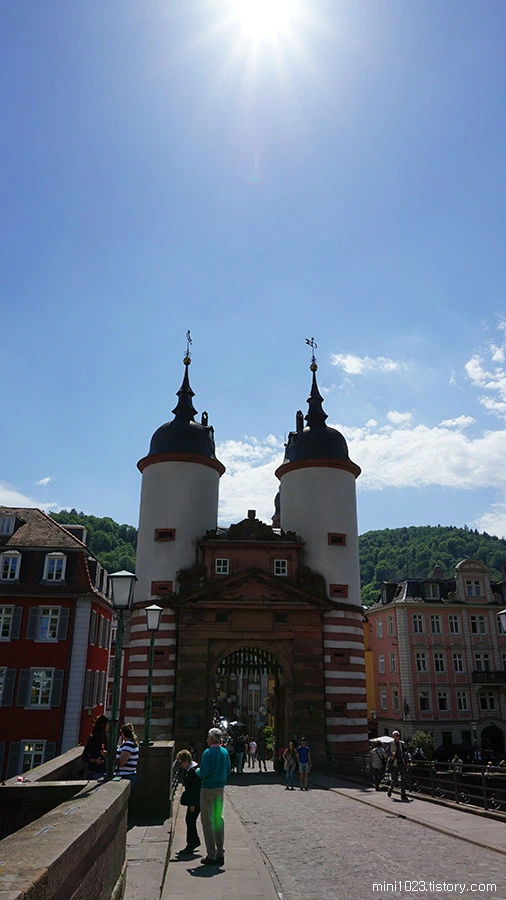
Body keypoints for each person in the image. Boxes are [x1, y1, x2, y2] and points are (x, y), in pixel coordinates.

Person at [197, 727, 231, 867]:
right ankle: (220, 853)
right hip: (220, 789)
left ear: (212, 739)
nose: (207, 739)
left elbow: (204, 772)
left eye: (208, 737)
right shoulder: (224, 752)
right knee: (218, 819)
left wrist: (197, 771)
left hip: (208, 789)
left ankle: (211, 854)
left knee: (207, 821)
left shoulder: (208, 753)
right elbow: (228, 770)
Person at [177, 749, 201, 854]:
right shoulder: (191, 769)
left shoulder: (192, 772)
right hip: (194, 800)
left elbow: (194, 790)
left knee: (190, 820)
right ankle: (193, 841)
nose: (181, 765)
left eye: (181, 762)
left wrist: (192, 804)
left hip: (195, 801)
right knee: (190, 820)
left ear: (186, 760)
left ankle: (192, 843)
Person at [82, 714, 109, 780]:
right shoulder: (92, 738)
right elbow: (84, 757)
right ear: (103, 725)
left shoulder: (107, 737)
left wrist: (106, 754)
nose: (109, 726)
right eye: (108, 724)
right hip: (93, 771)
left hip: (103, 771)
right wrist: (95, 760)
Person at [386, 731, 408, 801]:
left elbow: (404, 754)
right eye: (396, 735)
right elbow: (386, 752)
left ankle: (403, 794)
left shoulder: (401, 744)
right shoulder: (390, 744)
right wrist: (391, 754)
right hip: (394, 763)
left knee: (403, 778)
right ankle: (390, 789)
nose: (398, 736)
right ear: (394, 736)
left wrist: (406, 763)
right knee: (394, 779)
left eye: (398, 735)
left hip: (401, 762)